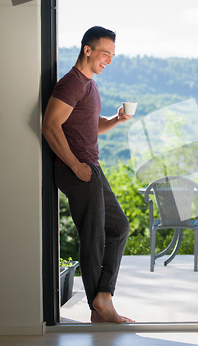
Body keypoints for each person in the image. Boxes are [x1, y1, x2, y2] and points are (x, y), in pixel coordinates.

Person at [42, 26, 134, 323]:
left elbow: (91, 126)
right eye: (105, 53)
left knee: (118, 227)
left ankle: (101, 298)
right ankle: (101, 307)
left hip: (91, 168)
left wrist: (117, 120)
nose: (109, 59)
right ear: (88, 50)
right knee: (93, 237)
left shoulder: (89, 84)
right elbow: (50, 125)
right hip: (77, 170)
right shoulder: (72, 83)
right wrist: (75, 165)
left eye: (112, 55)